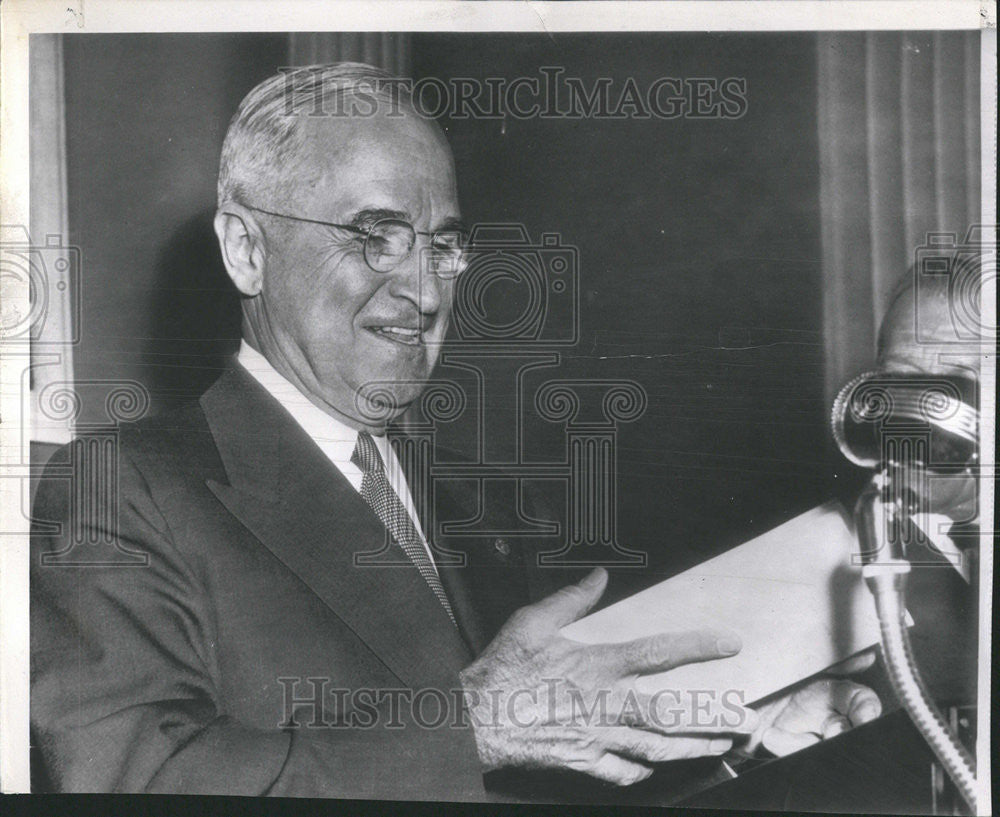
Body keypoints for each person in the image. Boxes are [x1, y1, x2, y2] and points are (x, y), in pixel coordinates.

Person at [30, 63, 880, 800]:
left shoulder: (469, 494)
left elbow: (546, 769)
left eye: (443, 246)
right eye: (377, 238)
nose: (428, 291)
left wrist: (738, 737)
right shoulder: (121, 488)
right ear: (247, 250)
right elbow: (132, 778)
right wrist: (469, 727)